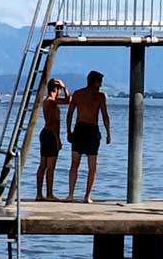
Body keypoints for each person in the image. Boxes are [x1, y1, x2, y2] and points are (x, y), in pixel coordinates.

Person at [66, 70, 111, 203]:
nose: (101, 85)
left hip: (80, 128)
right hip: (91, 130)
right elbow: (104, 116)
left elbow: (69, 115)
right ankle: (87, 196)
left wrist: (68, 131)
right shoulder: (100, 96)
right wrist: (108, 133)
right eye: (100, 82)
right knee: (91, 166)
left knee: (75, 164)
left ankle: (71, 195)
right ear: (94, 81)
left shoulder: (78, 94)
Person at [36, 78, 70, 201]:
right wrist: (57, 139)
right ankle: (48, 194)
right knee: (49, 166)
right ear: (56, 89)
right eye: (60, 90)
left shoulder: (51, 101)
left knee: (43, 165)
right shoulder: (50, 102)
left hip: (46, 134)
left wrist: (64, 86)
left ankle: (40, 194)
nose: (61, 92)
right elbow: (51, 123)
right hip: (50, 134)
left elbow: (68, 100)